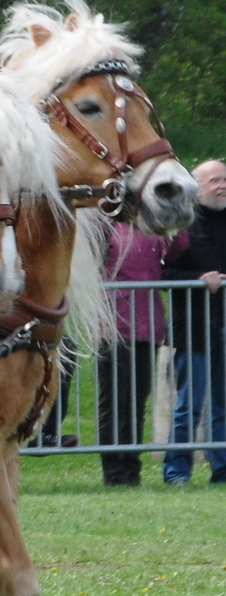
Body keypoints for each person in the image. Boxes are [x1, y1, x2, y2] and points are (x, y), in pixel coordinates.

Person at [162, 159, 226, 484]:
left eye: (224, 179)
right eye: (214, 180)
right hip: (194, 329)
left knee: (223, 405)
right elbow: (162, 273)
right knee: (189, 406)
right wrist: (198, 279)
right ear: (197, 186)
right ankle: (177, 472)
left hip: (224, 327)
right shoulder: (182, 225)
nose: (222, 185)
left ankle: (222, 469)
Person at [97, 223, 169, 486]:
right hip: (113, 326)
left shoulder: (154, 229)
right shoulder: (107, 227)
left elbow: (177, 250)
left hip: (147, 326)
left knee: (136, 403)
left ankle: (131, 470)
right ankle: (116, 472)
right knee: (115, 403)